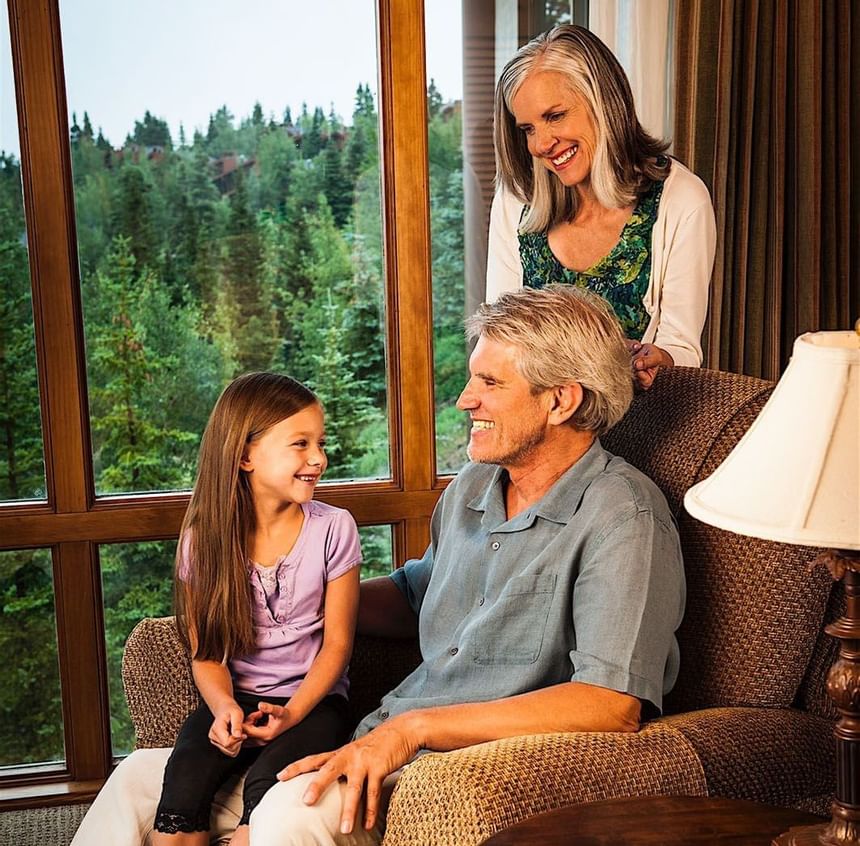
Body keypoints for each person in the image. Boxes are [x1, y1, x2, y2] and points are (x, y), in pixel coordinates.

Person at [71, 286, 685, 846]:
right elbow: (417, 594)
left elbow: (611, 703)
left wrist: (414, 729)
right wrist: (278, 587)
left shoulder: (623, 517)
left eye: (490, 384)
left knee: (283, 816)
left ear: (560, 401)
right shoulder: (473, 486)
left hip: (454, 769)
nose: (465, 399)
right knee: (139, 780)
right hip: (375, 738)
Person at [71, 372, 362, 846]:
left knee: (272, 786)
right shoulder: (202, 543)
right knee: (183, 778)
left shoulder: (335, 528)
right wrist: (224, 707)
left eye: (320, 443)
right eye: (300, 444)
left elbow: (338, 646)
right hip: (236, 699)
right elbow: (207, 654)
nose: (318, 459)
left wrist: (292, 714)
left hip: (314, 704)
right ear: (245, 456)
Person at [488, 24, 717, 389]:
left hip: (635, 425)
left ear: (604, 105)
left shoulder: (681, 199)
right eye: (528, 129)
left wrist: (660, 360)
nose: (541, 144)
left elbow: (681, 347)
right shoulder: (518, 197)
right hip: (537, 426)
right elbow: (498, 339)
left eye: (555, 116)